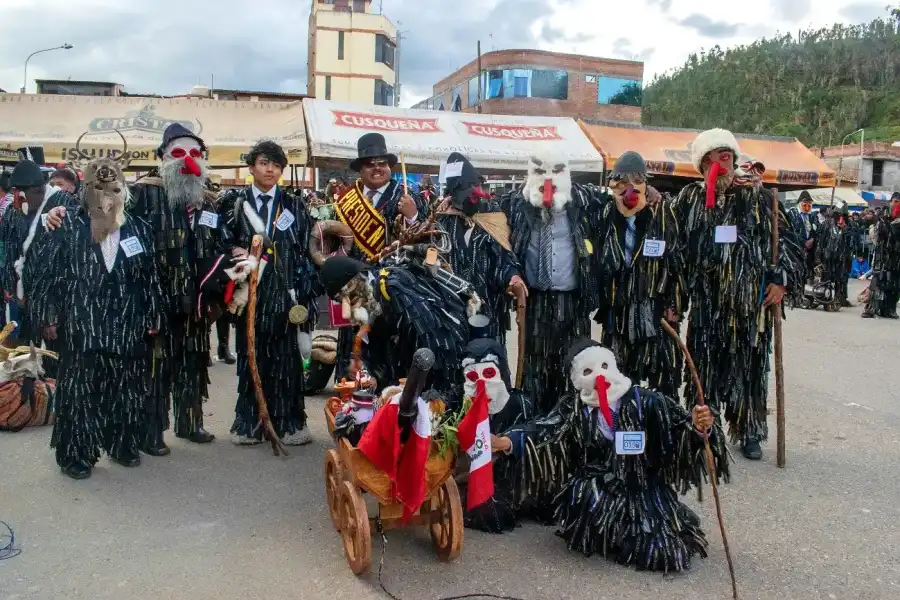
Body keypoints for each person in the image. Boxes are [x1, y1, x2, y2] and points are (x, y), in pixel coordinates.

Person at [495, 340, 719, 572]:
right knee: (581, 494)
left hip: (641, 486)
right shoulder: (573, 408)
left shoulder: (645, 401)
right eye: (588, 371)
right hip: (599, 482)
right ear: (577, 380)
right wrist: (508, 441)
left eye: (604, 366)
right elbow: (544, 430)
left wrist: (697, 425)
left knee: (660, 551)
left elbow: (676, 429)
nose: (598, 376)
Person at [31, 149, 164, 479]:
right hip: (82, 325)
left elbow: (150, 277)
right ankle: (76, 453)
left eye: (114, 189)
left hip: (126, 325)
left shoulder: (139, 228)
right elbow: (48, 274)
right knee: (79, 394)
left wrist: (152, 316)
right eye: (98, 189)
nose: (107, 197)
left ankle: (122, 444)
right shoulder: (65, 225)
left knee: (126, 390)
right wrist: (49, 316)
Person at [673, 128, 803, 461]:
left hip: (749, 305)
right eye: (712, 159)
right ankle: (705, 428)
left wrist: (781, 281)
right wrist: (674, 299)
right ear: (702, 165)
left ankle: (750, 431)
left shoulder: (759, 197)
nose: (720, 164)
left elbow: (787, 243)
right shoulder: (689, 200)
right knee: (705, 369)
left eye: (726, 157)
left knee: (749, 370)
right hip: (707, 304)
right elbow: (676, 250)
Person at [218, 140, 318, 446]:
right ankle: (249, 421)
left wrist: (303, 292)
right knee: (252, 356)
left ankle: (289, 422)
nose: (270, 169)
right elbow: (220, 240)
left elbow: (306, 248)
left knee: (287, 359)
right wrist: (234, 250)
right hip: (251, 296)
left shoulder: (295, 205)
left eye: (276, 165)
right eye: (264, 163)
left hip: (287, 295)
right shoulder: (234, 203)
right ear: (251, 167)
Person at [502, 155, 603, 414]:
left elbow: (618, 197)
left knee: (574, 363)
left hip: (572, 301)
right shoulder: (516, 204)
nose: (548, 178)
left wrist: (648, 190)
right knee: (535, 366)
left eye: (556, 169)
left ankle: (570, 423)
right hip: (535, 300)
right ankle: (536, 421)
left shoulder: (584, 202)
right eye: (540, 170)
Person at [330, 133, 427, 381]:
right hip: (356, 288)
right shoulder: (346, 201)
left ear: (390, 167)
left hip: (394, 288)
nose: (377, 169)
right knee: (356, 354)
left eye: (382, 163)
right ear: (360, 169)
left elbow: (426, 240)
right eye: (370, 164)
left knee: (390, 355)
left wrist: (413, 215)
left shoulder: (406, 194)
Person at [593, 151, 688, 399]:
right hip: (619, 309)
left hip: (654, 307)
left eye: (636, 181)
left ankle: (666, 426)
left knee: (662, 371)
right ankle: (624, 426)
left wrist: (674, 303)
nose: (629, 189)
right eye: (622, 182)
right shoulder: (605, 214)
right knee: (620, 372)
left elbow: (676, 258)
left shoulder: (662, 213)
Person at [318, 255, 471, 394]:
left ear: (354, 284)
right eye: (340, 301)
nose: (346, 311)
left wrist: (425, 390)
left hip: (445, 367)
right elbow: (376, 349)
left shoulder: (391, 286)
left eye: (345, 297)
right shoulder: (367, 303)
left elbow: (431, 340)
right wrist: (369, 372)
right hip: (411, 376)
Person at [444, 329, 535, 533]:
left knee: (495, 513)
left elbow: (535, 430)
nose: (481, 384)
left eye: (487, 374)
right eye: (472, 376)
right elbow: (441, 413)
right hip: (467, 473)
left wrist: (506, 441)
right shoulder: (460, 399)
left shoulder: (518, 403)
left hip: (504, 475)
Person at [435, 153, 524, 344]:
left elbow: (504, 256)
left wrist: (513, 276)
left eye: (474, 186)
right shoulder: (442, 219)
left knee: (488, 363)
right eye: (464, 188)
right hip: (451, 308)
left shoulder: (493, 216)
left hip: (488, 306)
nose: (472, 193)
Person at [1, 159, 76, 362]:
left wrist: (50, 313)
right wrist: (9, 284)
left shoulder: (64, 204)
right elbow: (8, 249)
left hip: (53, 301)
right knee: (21, 357)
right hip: (20, 301)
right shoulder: (13, 211)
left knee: (51, 360)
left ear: (39, 189)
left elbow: (64, 262)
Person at [862, 193, 900, 319]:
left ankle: (889, 309)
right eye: (895, 201)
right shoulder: (883, 217)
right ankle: (871, 308)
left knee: (894, 283)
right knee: (877, 281)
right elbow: (877, 237)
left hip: (895, 257)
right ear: (891, 201)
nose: (896, 204)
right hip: (882, 255)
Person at [816, 205, 854, 307]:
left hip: (841, 258)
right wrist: (819, 256)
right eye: (839, 215)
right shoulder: (826, 224)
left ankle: (839, 298)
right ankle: (826, 298)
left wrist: (845, 230)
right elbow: (820, 241)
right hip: (828, 257)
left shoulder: (849, 225)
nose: (841, 218)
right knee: (827, 277)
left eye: (843, 215)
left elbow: (851, 242)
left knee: (841, 279)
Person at [787, 191, 818, 282]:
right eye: (805, 205)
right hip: (796, 249)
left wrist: (812, 239)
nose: (807, 207)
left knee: (807, 273)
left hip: (809, 251)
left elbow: (817, 230)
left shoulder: (812, 216)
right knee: (797, 273)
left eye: (809, 205)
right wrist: (804, 243)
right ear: (800, 204)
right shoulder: (793, 213)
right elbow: (791, 231)